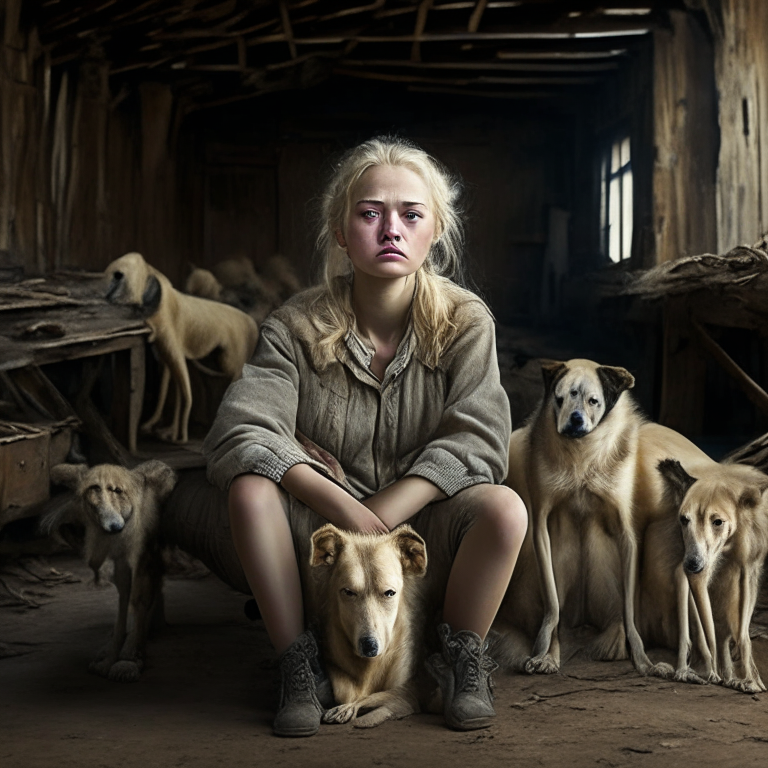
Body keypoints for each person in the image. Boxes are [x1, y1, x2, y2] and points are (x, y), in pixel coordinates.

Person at [202, 136, 527, 737]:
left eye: (411, 214)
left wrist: (384, 512)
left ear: (437, 232)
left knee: (504, 510)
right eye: (370, 212)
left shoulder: (464, 322)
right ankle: (300, 665)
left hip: (421, 530)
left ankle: (455, 661)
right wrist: (343, 506)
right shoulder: (294, 326)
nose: (390, 229)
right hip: (321, 539)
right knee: (249, 490)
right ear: (340, 230)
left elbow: (480, 438)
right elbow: (240, 431)